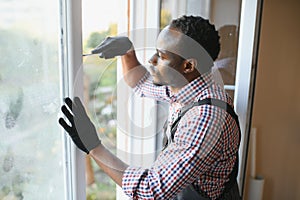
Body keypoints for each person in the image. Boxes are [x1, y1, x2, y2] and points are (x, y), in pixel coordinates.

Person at [59, 15, 241, 199]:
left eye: (161, 56)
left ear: (188, 65)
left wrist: (93, 146)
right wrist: (127, 51)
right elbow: (140, 82)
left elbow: (151, 191)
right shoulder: (191, 87)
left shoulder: (206, 118)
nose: (151, 60)